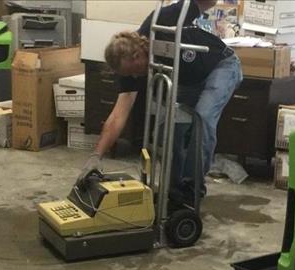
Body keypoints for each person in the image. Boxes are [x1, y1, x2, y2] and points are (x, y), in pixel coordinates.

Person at [79, 0, 243, 205]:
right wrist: (97, 156)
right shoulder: (127, 71)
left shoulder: (158, 21)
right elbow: (118, 115)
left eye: (132, 71)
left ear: (137, 54)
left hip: (222, 66)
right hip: (189, 82)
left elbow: (207, 3)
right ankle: (175, 191)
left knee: (203, 118)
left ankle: (193, 189)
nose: (135, 78)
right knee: (169, 128)